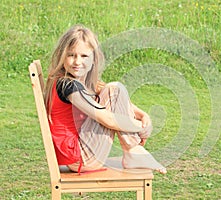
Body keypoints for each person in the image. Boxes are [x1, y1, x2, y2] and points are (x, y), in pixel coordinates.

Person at [44, 25, 166, 174]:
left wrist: (143, 115)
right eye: (71, 55)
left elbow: (116, 99)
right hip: (80, 158)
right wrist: (140, 127)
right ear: (62, 56)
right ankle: (133, 151)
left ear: (94, 58)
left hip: (79, 154)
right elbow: (106, 119)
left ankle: (133, 152)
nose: (77, 62)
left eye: (84, 56)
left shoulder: (83, 80)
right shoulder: (68, 85)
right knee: (115, 89)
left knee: (115, 89)